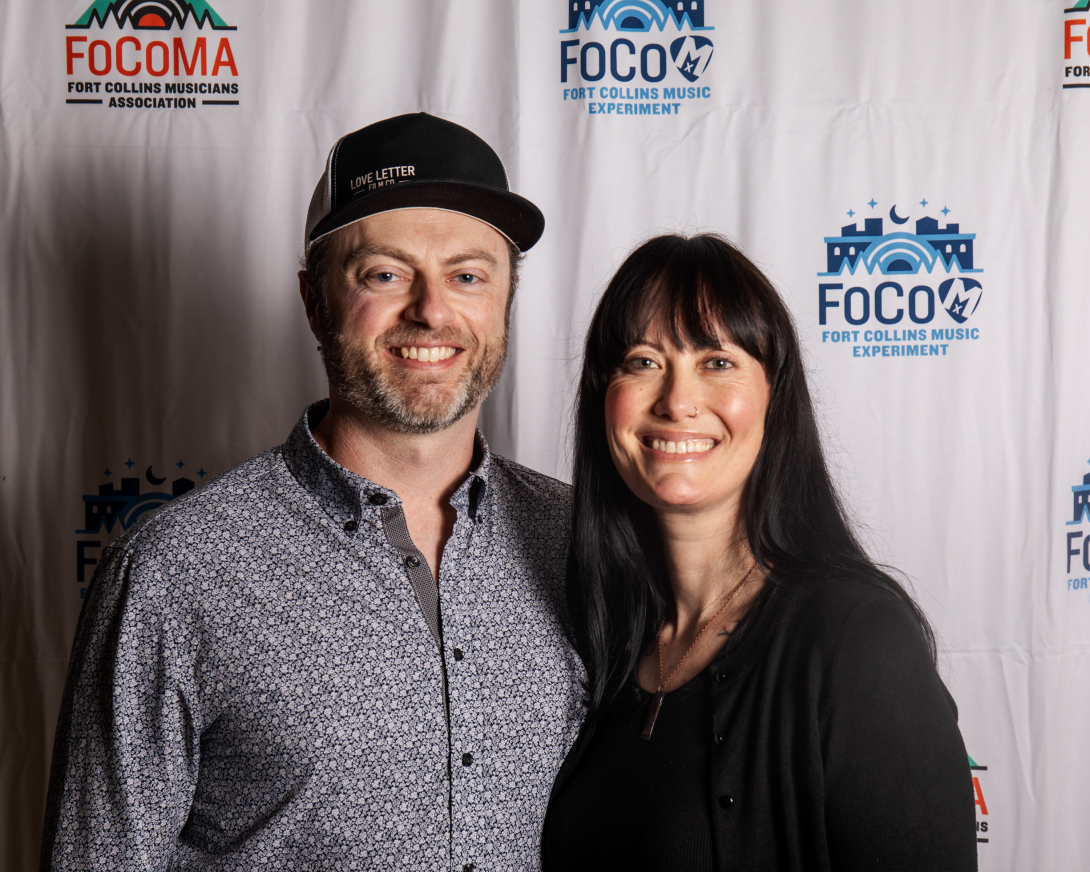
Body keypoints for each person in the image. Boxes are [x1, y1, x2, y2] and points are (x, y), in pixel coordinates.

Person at [40, 113, 583, 871]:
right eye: (385, 274)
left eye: (468, 276)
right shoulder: (176, 571)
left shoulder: (579, 540)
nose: (432, 310)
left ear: (505, 300)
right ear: (314, 300)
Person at [541, 234, 977, 870]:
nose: (677, 401)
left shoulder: (858, 641)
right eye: (643, 361)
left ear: (776, 396)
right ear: (602, 396)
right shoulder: (603, 637)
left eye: (717, 361)